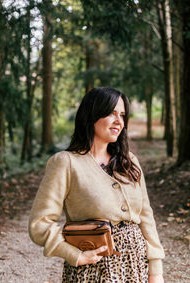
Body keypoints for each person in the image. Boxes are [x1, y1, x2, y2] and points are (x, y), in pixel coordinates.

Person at [29, 87, 165, 283]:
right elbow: (39, 223)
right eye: (111, 113)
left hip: (136, 265)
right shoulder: (66, 162)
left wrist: (156, 270)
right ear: (92, 115)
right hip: (92, 270)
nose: (119, 121)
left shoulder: (130, 162)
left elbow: (145, 215)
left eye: (123, 115)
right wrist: (73, 254)